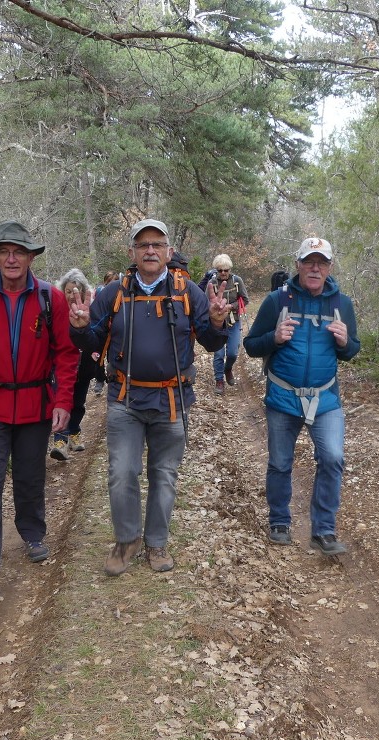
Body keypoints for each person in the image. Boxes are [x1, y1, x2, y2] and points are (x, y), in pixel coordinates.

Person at [68, 218, 230, 575]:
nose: (151, 250)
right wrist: (78, 329)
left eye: (157, 244)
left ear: (169, 252)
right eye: (143, 245)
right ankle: (127, 540)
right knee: (121, 472)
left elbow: (209, 340)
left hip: (173, 400)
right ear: (132, 253)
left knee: (164, 474)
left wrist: (218, 323)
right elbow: (92, 343)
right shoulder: (114, 293)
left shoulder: (188, 292)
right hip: (125, 399)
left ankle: (157, 543)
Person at [0, 221, 79, 598]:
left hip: (37, 405)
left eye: (19, 251)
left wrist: (63, 401)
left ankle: (33, 533)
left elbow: (66, 355)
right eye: (4, 251)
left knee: (29, 476)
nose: (11, 258)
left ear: (30, 257)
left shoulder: (49, 298)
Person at [242, 236, 360, 557]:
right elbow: (251, 346)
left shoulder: (342, 305)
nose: (315, 268)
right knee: (280, 463)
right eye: (309, 261)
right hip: (283, 395)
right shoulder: (277, 301)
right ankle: (279, 521)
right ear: (298, 265)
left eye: (321, 262)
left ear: (330, 267)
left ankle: (323, 530)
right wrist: (275, 338)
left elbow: (351, 352)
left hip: (325, 399)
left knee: (333, 458)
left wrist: (346, 342)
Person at [50, 268, 96, 460]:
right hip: (60, 366)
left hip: (83, 364)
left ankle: (75, 431)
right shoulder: (55, 310)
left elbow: (96, 337)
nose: (71, 295)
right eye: (68, 291)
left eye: (75, 290)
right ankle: (60, 440)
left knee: (78, 402)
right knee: (61, 399)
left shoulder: (90, 310)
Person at [199, 254, 249, 394]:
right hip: (217, 324)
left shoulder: (237, 281)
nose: (223, 273)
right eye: (220, 270)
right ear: (216, 270)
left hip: (233, 322)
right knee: (219, 353)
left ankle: (228, 369)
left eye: (226, 270)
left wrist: (230, 307)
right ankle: (219, 381)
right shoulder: (212, 283)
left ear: (230, 269)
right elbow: (204, 302)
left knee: (232, 353)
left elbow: (245, 300)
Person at [90, 270, 120, 395]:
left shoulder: (122, 294)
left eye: (114, 282)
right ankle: (100, 380)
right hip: (102, 331)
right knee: (99, 356)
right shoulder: (100, 293)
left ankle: (114, 379)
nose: (111, 286)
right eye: (109, 283)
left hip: (115, 331)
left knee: (114, 356)